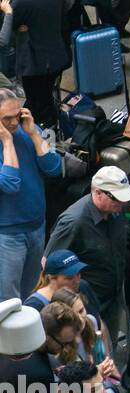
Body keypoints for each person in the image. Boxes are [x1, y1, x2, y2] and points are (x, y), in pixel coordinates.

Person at [46, 167, 130, 331]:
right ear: (98, 193)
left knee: (111, 345)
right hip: (86, 307)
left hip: (113, 297)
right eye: (117, 198)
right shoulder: (74, 222)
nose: (122, 203)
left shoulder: (115, 211)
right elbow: (48, 264)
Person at [0, 88, 62, 299]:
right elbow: (10, 183)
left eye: (17, 115)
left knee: (32, 294)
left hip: (36, 227)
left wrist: (34, 134)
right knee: (9, 302)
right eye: (6, 118)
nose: (14, 123)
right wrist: (7, 141)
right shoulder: (7, 140)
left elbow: (54, 168)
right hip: (7, 234)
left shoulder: (29, 129)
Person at [7, 0, 67, 129]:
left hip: (35, 63)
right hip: (54, 55)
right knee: (44, 101)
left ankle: (45, 140)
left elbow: (9, 23)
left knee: (38, 106)